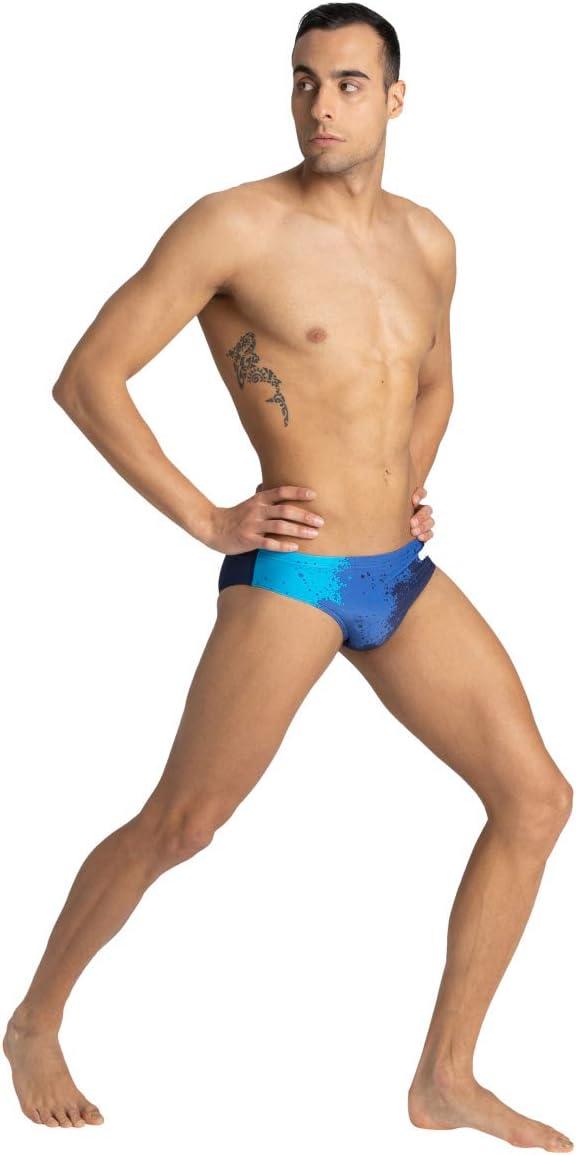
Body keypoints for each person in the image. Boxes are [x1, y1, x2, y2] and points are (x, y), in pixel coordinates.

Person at [3, 3, 573, 1148]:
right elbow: (88, 378)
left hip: (398, 573)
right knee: (184, 823)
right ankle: (34, 1020)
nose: (322, 104)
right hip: (297, 578)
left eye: (350, 83)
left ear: (395, 98)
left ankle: (446, 1078)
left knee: (536, 798)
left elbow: (433, 379)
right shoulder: (235, 226)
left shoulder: (429, 241)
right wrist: (210, 518)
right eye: (305, 80)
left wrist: (412, 478)